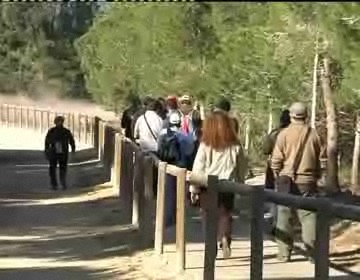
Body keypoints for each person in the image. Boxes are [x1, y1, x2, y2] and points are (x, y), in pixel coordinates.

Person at [271, 102, 326, 263]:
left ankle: (284, 253)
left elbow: (276, 160)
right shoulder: (314, 134)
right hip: (308, 181)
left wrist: (277, 175)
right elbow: (322, 160)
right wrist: (317, 176)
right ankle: (313, 254)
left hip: (287, 181)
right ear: (306, 115)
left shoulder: (284, 134)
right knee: (309, 217)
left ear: (291, 115)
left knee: (284, 217)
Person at [189, 111, 247, 259]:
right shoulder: (235, 144)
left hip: (207, 184)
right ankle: (225, 237)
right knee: (225, 214)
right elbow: (242, 166)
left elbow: (198, 167)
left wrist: (194, 189)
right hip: (228, 184)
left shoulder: (206, 143)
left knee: (208, 216)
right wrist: (240, 184)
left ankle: (211, 247)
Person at [158, 112, 194, 227]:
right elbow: (190, 150)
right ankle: (178, 220)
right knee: (180, 194)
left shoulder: (162, 133)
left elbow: (158, 149)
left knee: (168, 193)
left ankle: (168, 219)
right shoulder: (183, 135)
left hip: (167, 166)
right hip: (180, 167)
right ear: (179, 123)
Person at [262, 109, 291, 226]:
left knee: (273, 195)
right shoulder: (298, 133)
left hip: (273, 167)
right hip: (290, 167)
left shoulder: (274, 133)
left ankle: (275, 221)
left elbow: (265, 150)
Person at [45, 116, 76, 190]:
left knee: (63, 168)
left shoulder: (66, 131)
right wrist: (46, 150)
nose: (59, 123)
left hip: (63, 153)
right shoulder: (51, 131)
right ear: (55, 122)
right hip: (53, 152)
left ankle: (63, 183)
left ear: (62, 122)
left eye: (60, 121)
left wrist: (73, 149)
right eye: (58, 121)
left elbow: (71, 141)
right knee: (52, 169)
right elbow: (46, 141)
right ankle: (54, 184)